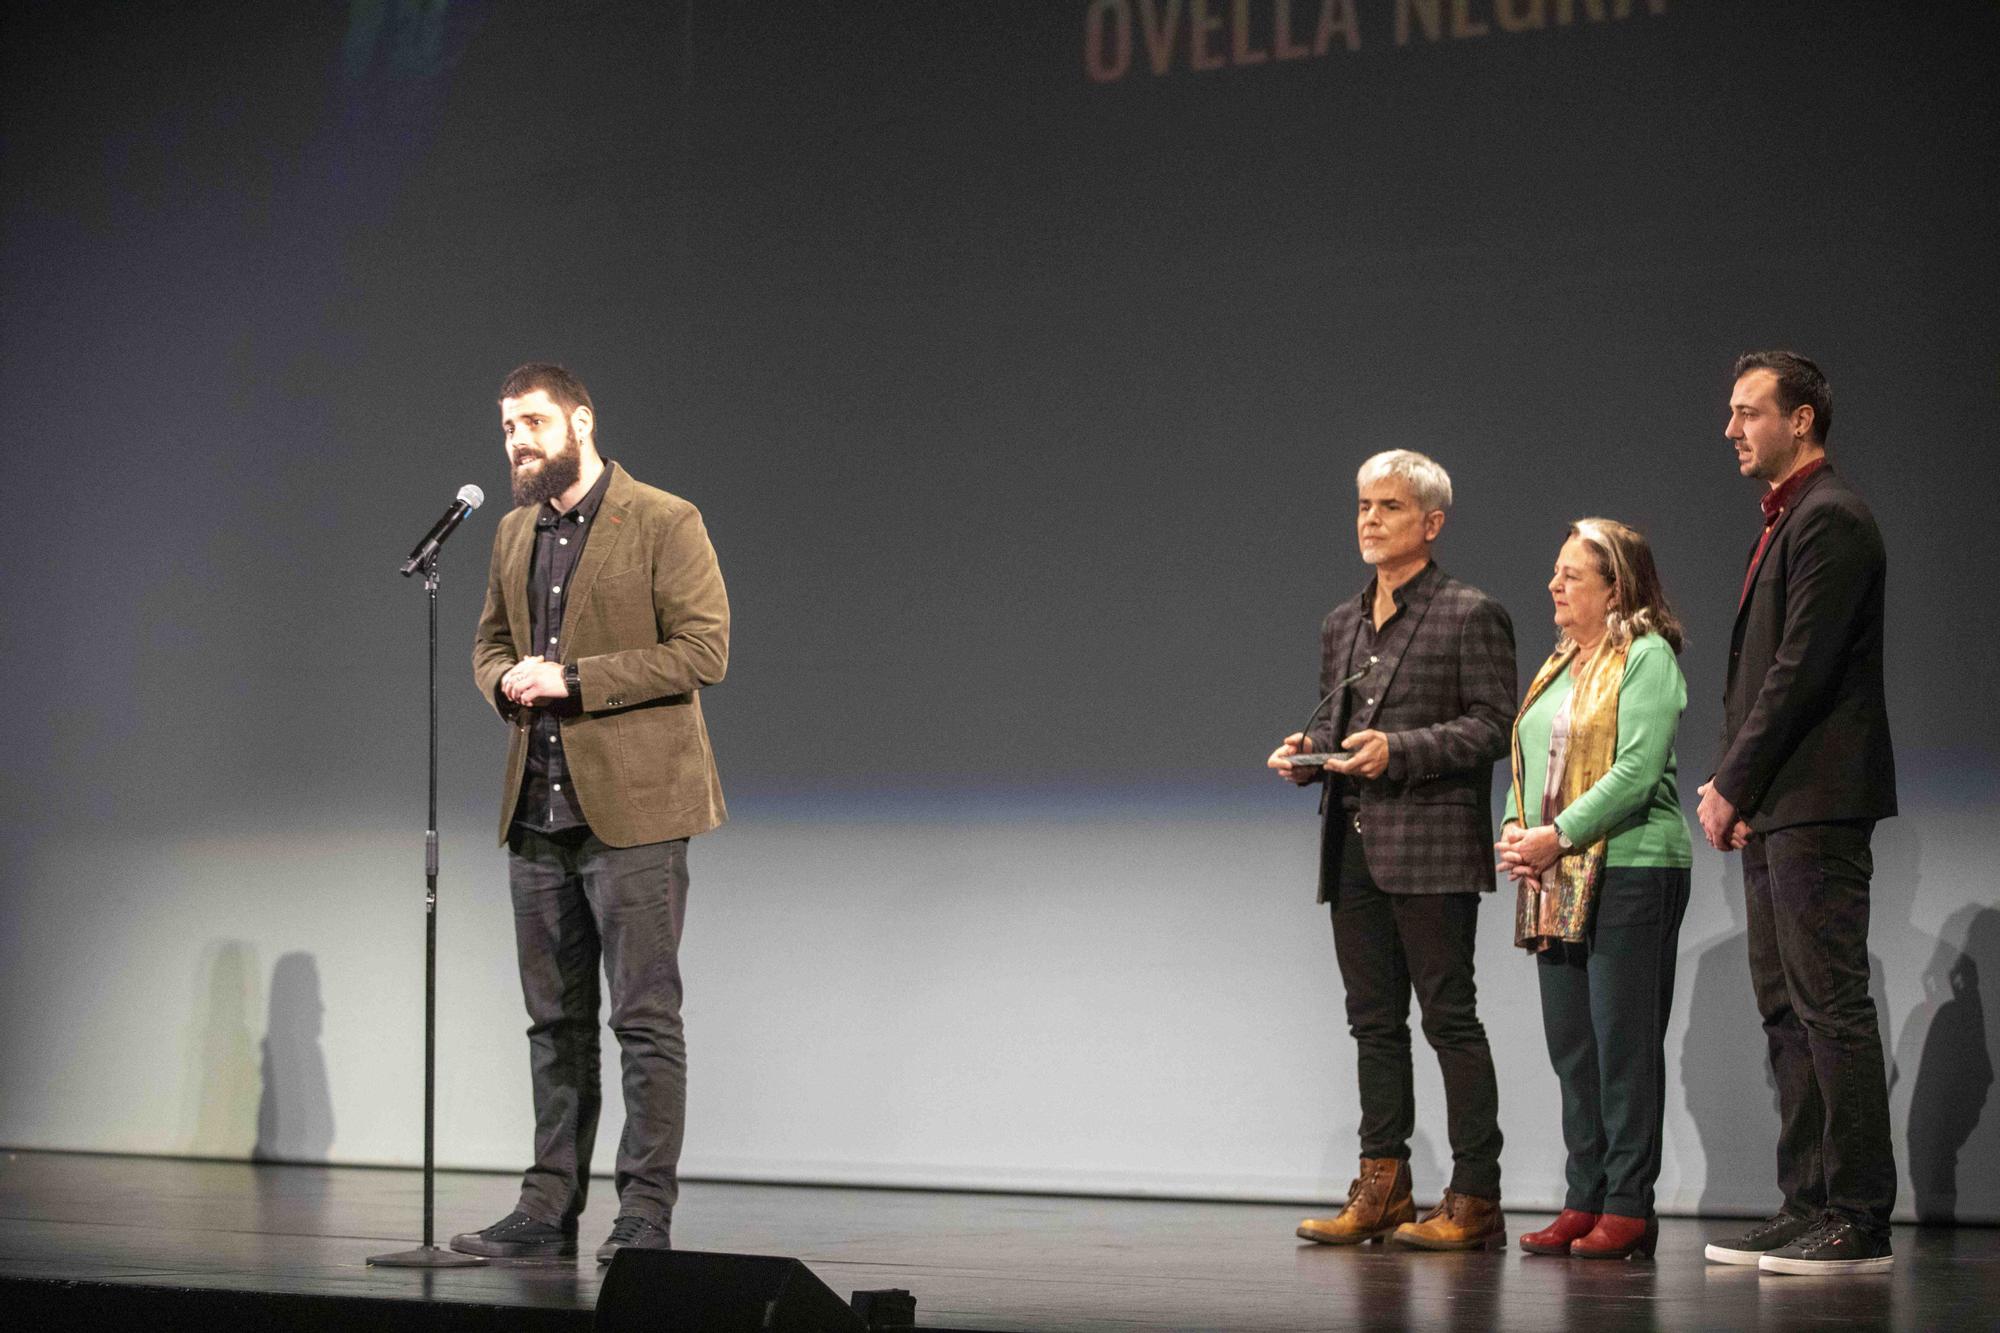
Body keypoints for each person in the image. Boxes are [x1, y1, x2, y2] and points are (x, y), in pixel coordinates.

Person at [452, 363, 730, 1263]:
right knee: (553, 1023)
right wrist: (501, 679)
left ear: (580, 420)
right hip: (536, 809)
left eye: (531, 422)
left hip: (635, 815)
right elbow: (491, 642)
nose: (516, 441)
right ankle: (546, 1205)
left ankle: (644, 1212)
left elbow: (703, 649)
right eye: (505, 427)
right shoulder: (508, 533)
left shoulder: (663, 519)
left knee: (644, 1019)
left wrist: (573, 681)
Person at [1271, 450, 1517, 1251]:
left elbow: (1491, 726)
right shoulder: (1342, 621)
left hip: (1434, 846)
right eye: (1363, 506)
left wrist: (1399, 750)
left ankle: (1475, 1197)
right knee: (1373, 1023)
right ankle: (1383, 1186)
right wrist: (1308, 750)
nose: (1369, 520)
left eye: (1389, 507)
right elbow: (1338, 728)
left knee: (1449, 1019)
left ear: (1431, 523)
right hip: (1354, 843)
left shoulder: (1468, 612)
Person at [1697, 350, 1897, 1276]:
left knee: (1828, 1005)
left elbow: (1801, 670)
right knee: (1785, 1008)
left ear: (1801, 420)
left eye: (1747, 412)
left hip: (1816, 799)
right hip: (1778, 803)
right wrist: (1744, 790)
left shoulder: (1833, 520)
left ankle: (1857, 1215)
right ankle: (1806, 1201)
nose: (1731, 430)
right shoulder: (1784, 523)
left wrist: (1732, 780)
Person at [1497, 520, 1692, 1261]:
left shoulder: (1647, 658)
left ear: (1617, 587)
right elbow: (1525, 762)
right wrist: (1518, 827)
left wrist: (1558, 833)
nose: (1554, 584)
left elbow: (1638, 773)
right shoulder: (1557, 665)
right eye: (1555, 572)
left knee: (1623, 1046)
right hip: (1555, 874)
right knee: (1573, 1048)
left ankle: (1628, 1204)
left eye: (1572, 574)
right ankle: (1584, 1195)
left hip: (1635, 869)